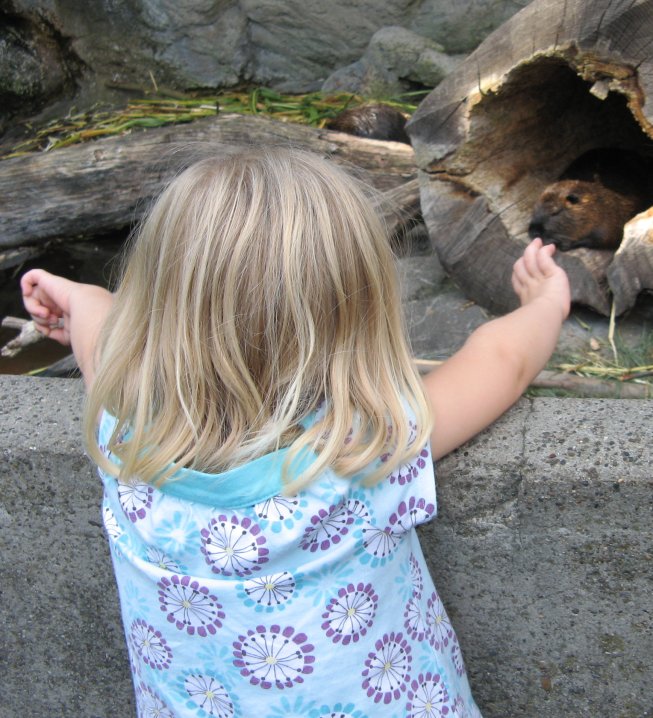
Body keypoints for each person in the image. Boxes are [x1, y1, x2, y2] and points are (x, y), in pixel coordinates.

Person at [21, 147, 570, 718]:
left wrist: (81, 296)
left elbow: (101, 343)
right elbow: (503, 359)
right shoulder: (361, 447)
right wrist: (547, 303)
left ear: (158, 304)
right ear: (356, 313)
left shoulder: (121, 431)